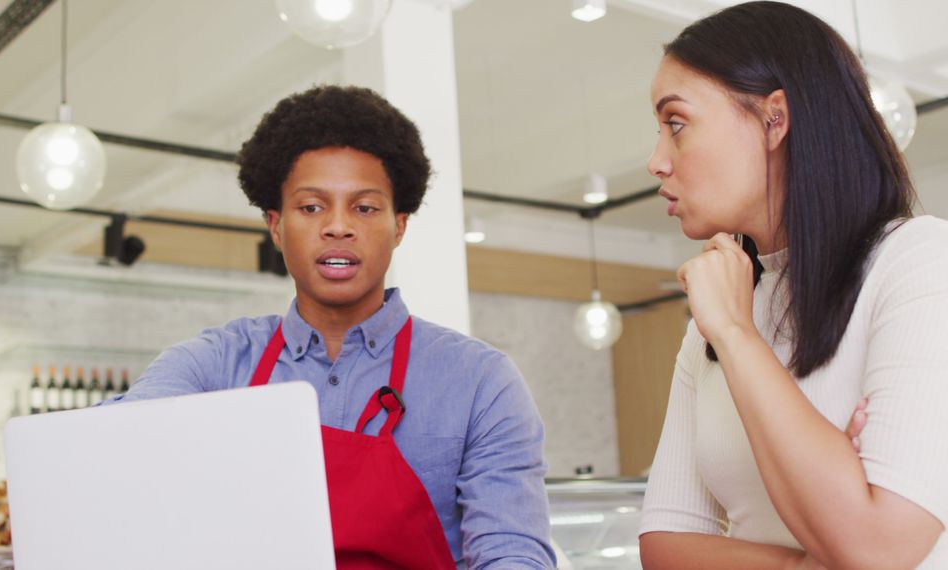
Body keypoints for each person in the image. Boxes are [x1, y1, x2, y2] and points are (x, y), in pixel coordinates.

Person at [105, 85, 556, 569]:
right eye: (311, 207)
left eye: (364, 208)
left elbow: (513, 553)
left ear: (399, 226)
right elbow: (108, 450)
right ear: (275, 226)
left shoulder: (480, 382)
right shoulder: (214, 365)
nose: (338, 227)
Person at [639, 2, 948, 568]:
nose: (656, 161)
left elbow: (880, 547)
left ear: (773, 118)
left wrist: (738, 337)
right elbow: (664, 547)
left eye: (676, 124)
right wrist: (817, 557)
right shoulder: (712, 319)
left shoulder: (921, 261)